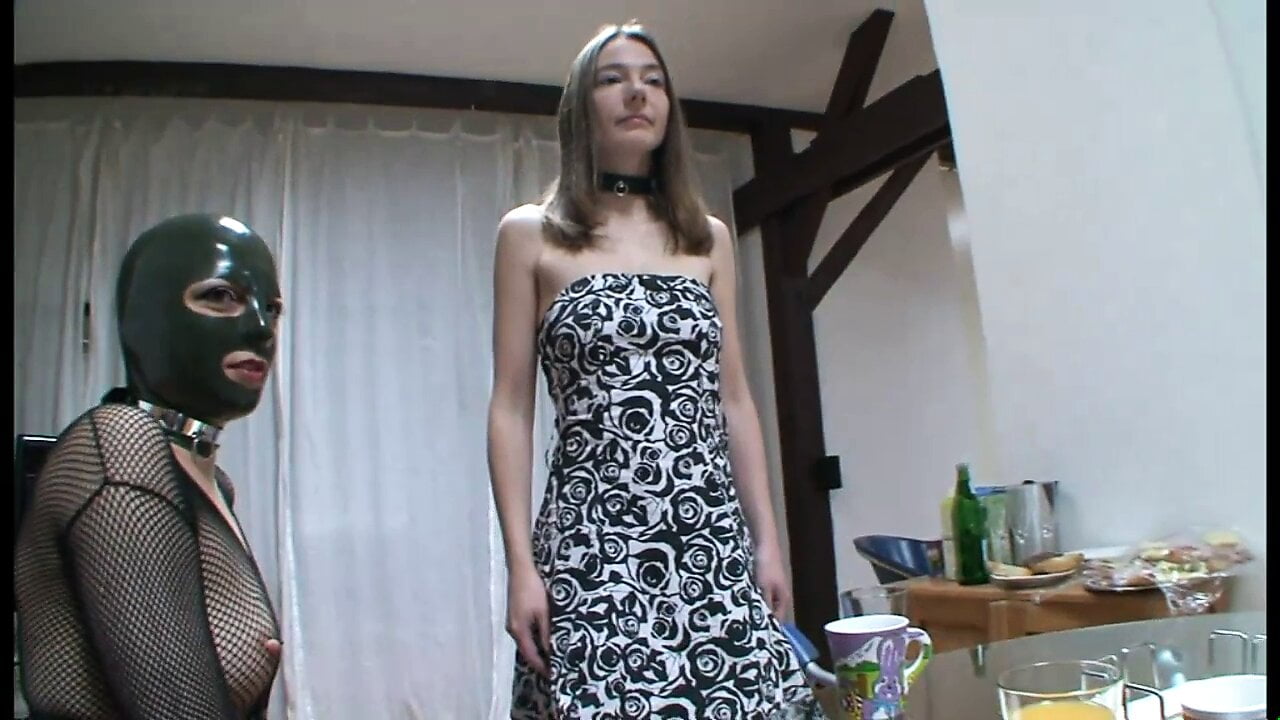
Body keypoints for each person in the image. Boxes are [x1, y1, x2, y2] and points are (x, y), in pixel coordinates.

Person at [487, 22, 820, 719]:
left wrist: (768, 542)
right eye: (612, 78)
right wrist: (521, 566)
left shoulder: (706, 238)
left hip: (708, 538)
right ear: (580, 108)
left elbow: (735, 400)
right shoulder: (530, 234)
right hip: (591, 543)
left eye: (654, 80)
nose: (637, 92)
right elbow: (511, 408)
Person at [15, 213, 285, 720]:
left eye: (271, 308)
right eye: (220, 296)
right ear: (143, 318)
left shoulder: (205, 478)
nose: (260, 328)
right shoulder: (120, 447)